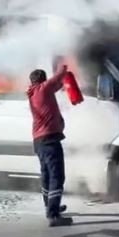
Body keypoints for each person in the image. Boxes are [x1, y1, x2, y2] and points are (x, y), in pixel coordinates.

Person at [27, 66, 73, 227]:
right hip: (49, 140)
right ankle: (53, 215)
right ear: (43, 80)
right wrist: (65, 67)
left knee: (47, 175)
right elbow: (58, 77)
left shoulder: (35, 92)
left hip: (39, 141)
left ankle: (50, 206)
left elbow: (56, 85)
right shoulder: (43, 89)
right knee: (57, 176)